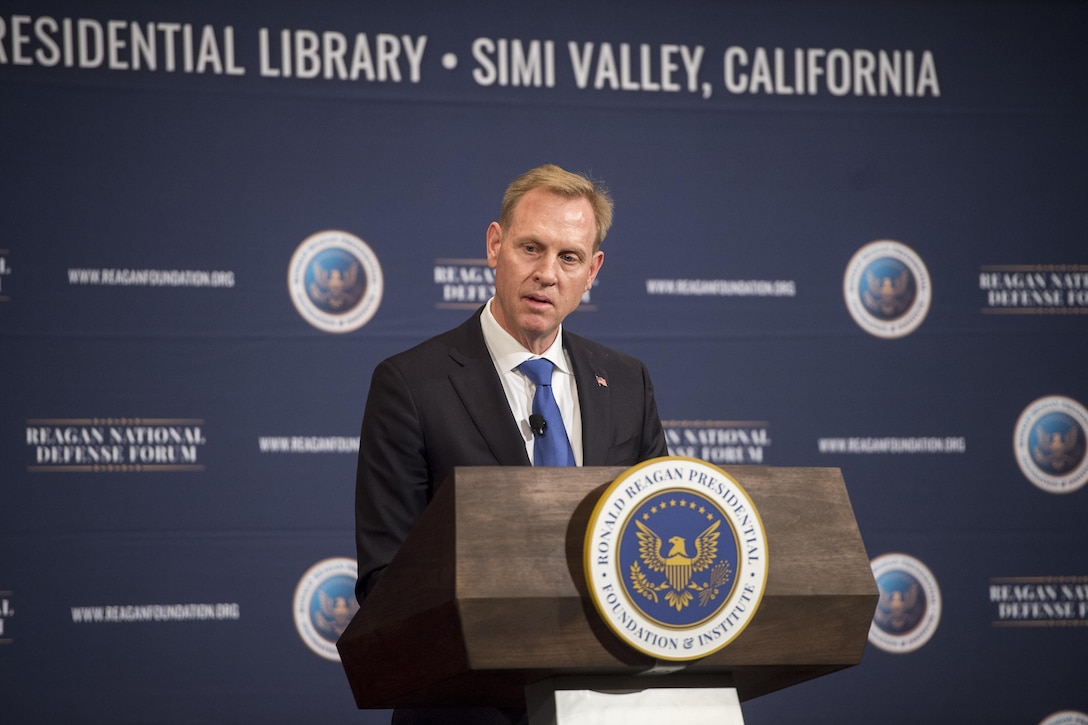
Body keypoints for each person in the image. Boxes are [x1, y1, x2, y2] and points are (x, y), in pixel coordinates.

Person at [353, 164, 669, 724]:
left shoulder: (626, 381)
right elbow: (387, 579)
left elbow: (659, 528)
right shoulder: (411, 384)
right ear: (495, 246)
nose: (547, 273)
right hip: (467, 708)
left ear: (592, 271)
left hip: (610, 703)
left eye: (569, 257)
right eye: (531, 248)